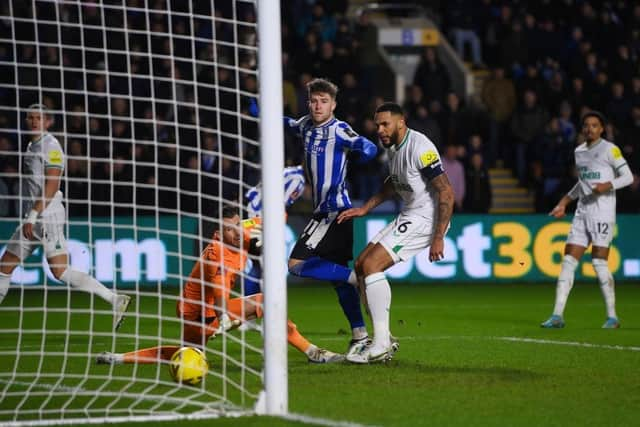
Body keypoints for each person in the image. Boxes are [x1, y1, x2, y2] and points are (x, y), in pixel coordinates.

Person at [96, 205, 343, 365]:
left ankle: (313, 353)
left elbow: (279, 214)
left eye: (237, 225)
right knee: (188, 356)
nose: (236, 233)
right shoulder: (218, 254)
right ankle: (120, 358)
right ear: (218, 233)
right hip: (198, 314)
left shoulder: (245, 229)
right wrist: (224, 317)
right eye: (228, 229)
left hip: (204, 307)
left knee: (265, 304)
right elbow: (220, 293)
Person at [338, 102, 455, 363]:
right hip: (410, 213)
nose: (379, 129)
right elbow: (394, 182)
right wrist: (365, 208)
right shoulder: (391, 147)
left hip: (426, 218)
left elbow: (446, 191)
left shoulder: (421, 148)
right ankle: (385, 338)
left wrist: (438, 236)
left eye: (385, 124)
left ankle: (380, 344)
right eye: (377, 124)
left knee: (372, 265)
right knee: (360, 266)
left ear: (401, 122)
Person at [0, 104, 131, 330]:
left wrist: (32, 216)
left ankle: (113, 298)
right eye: (29, 117)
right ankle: (114, 299)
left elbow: (52, 185)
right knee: (4, 267)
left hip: (47, 216)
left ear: (48, 122)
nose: (33, 121)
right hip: (33, 217)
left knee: (59, 271)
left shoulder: (51, 147)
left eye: (38, 118)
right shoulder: (32, 145)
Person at [284, 78, 378, 354]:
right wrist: (259, 114)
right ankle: (360, 334)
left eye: (324, 101)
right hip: (332, 213)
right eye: (314, 100)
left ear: (333, 105)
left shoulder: (339, 129)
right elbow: (287, 122)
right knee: (337, 281)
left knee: (296, 264)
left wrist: (367, 150)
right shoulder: (305, 125)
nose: (317, 106)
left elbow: (365, 144)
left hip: (333, 212)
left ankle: (354, 277)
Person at [541, 111, 633, 329]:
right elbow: (581, 184)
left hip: (603, 213)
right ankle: (557, 315)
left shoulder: (610, 149)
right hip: (582, 213)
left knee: (599, 262)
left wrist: (607, 185)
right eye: (587, 125)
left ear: (602, 129)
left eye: (595, 125)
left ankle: (612, 317)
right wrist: (564, 202)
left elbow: (628, 177)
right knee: (568, 261)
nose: (590, 128)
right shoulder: (579, 151)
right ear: (583, 129)